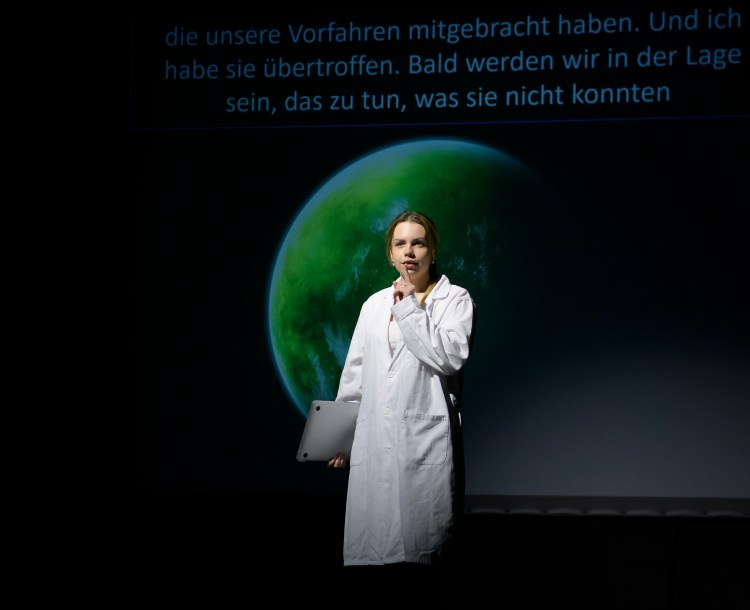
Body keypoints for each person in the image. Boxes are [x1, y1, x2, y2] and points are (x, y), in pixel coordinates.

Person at [328, 210, 476, 568]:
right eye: (400, 244)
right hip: (375, 442)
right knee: (373, 552)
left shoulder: (455, 300)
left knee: (421, 552)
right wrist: (340, 438)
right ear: (390, 254)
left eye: (418, 243)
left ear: (432, 251)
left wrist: (410, 308)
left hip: (425, 441)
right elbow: (355, 376)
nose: (409, 252)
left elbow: (450, 358)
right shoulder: (374, 305)